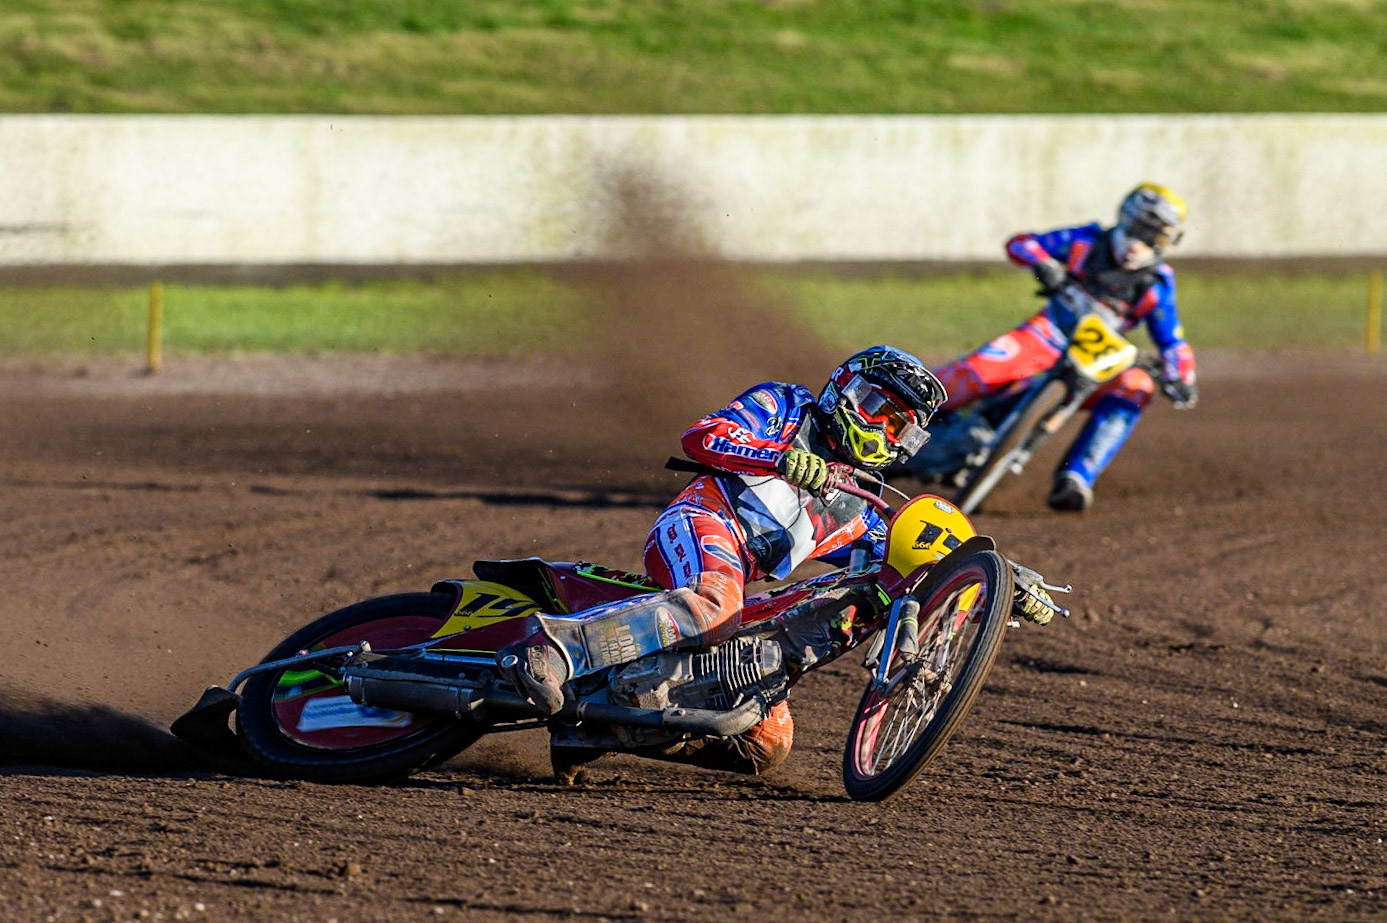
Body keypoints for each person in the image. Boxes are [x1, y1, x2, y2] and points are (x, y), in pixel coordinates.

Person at [497, 345, 1056, 783]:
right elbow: (702, 436)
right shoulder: (786, 406)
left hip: (742, 581)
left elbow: (919, 562)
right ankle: (555, 649)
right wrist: (783, 458)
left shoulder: (861, 506)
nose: (884, 429)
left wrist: (1002, 584)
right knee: (717, 604)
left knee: (765, 742)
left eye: (901, 426)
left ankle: (590, 731)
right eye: (878, 407)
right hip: (702, 521)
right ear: (843, 388)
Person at [932, 183, 1198, 511]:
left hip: (1098, 359)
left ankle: (1077, 477)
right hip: (1045, 334)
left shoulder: (1156, 285)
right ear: (1126, 216)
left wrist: (1182, 379)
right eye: (1141, 229)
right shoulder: (1086, 241)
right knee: (960, 381)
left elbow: (1172, 342)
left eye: (1155, 238)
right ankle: (889, 418)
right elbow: (1021, 243)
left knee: (1137, 386)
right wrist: (1043, 263)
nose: (1141, 244)